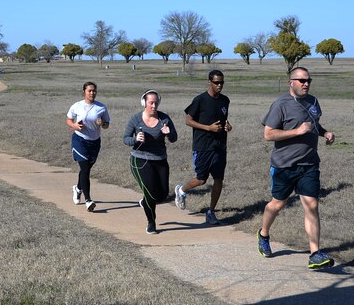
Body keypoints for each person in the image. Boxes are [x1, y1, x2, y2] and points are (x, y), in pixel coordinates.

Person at [257, 66, 337, 270]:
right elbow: (268, 134)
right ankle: (264, 233)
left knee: (311, 205)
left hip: (309, 163)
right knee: (277, 204)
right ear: (291, 82)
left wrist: (325, 133)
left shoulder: (313, 101)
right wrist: (297, 131)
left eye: (308, 80)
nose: (306, 84)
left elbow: (314, 124)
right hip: (284, 165)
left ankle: (315, 254)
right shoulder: (280, 105)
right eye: (301, 80)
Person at [175, 70, 232, 225]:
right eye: (216, 82)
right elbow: (188, 120)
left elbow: (224, 119)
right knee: (201, 179)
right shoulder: (200, 100)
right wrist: (208, 128)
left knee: (218, 179)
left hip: (220, 146)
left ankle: (211, 212)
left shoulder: (225, 100)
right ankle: (181, 190)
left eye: (222, 82)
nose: (219, 85)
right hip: (203, 146)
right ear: (209, 82)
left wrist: (228, 126)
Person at [123, 90, 178, 234]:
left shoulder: (164, 119)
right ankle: (151, 222)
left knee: (163, 194)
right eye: (150, 103)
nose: (154, 106)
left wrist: (169, 133)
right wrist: (135, 140)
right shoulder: (136, 119)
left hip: (160, 160)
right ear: (144, 103)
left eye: (156, 103)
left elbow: (174, 138)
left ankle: (145, 201)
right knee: (150, 193)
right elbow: (125, 139)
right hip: (140, 160)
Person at [66, 82, 110, 212]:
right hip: (79, 140)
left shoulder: (101, 107)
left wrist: (103, 123)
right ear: (84, 92)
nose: (92, 93)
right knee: (85, 169)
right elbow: (68, 120)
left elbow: (107, 124)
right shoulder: (77, 106)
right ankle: (89, 200)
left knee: (86, 170)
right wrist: (74, 126)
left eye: (94, 91)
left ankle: (78, 188)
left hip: (94, 142)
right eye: (89, 91)